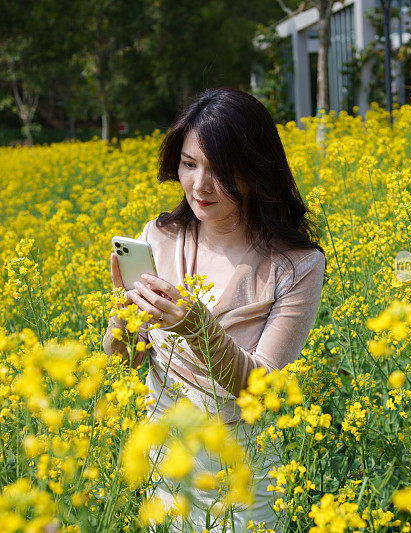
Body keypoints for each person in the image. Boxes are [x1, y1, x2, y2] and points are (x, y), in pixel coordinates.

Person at [103, 87, 326, 532]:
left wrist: (196, 326)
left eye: (219, 170)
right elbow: (128, 359)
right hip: (164, 460)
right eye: (189, 164)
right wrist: (124, 325)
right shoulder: (159, 237)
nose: (199, 186)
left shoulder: (296, 265)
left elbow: (259, 387)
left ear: (256, 170)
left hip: (242, 476)